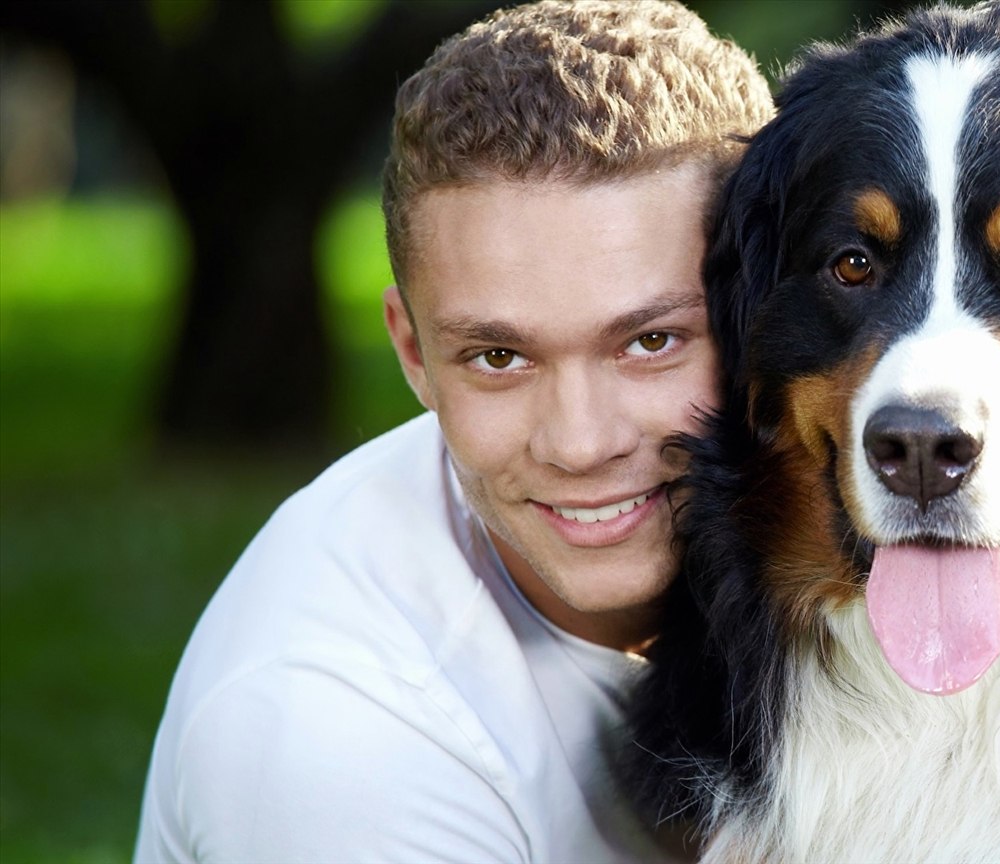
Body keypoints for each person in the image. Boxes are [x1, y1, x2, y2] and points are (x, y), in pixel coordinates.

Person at [133, 2, 771, 859]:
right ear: (413, 352)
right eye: (500, 357)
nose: (580, 444)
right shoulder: (336, 739)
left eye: (650, 342)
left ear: (761, 311)